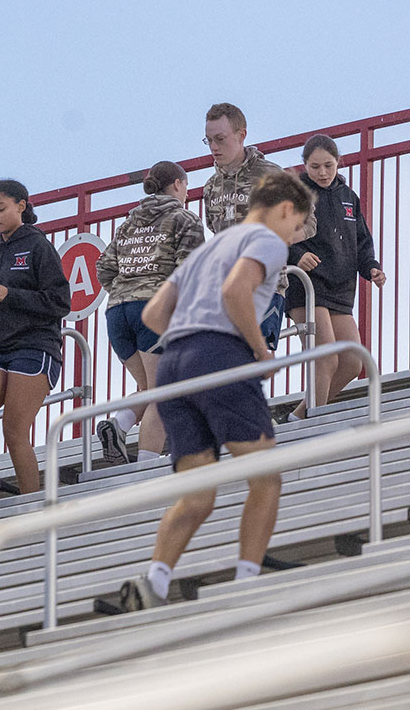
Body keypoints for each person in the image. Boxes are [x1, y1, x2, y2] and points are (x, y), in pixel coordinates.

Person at [120, 172, 314, 611]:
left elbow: (154, 313)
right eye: (297, 225)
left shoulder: (208, 249)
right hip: (220, 357)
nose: (295, 236)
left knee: (198, 492)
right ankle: (247, 583)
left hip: (172, 366)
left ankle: (156, 581)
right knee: (266, 477)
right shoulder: (266, 240)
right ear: (285, 209)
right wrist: (258, 348)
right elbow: (235, 291)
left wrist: (190, 340)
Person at [0, 180, 71, 503]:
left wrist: (12, 295)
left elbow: (61, 302)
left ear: (21, 206)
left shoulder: (38, 246)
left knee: (13, 429)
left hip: (35, 347)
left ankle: (34, 505)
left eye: (0, 209)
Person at [95, 162, 205, 464]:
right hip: (154, 310)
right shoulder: (184, 219)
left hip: (117, 312)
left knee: (147, 388)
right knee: (163, 392)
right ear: (179, 184)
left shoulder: (128, 224)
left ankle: (119, 424)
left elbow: (103, 267)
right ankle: (146, 464)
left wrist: (126, 288)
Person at [284, 134, 385, 419]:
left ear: (338, 162)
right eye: (315, 167)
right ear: (305, 166)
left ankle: (300, 417)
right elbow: (276, 234)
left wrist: (372, 268)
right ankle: (310, 426)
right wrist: (296, 254)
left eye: (329, 165)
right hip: (307, 286)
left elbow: (362, 242)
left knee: (353, 362)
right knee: (325, 358)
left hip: (340, 288)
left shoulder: (348, 196)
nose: (323, 173)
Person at [201, 102, 316, 350]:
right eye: (208, 140)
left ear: (242, 135)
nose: (213, 147)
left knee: (253, 364)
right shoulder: (210, 187)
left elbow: (309, 222)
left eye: (220, 139)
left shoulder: (271, 176)